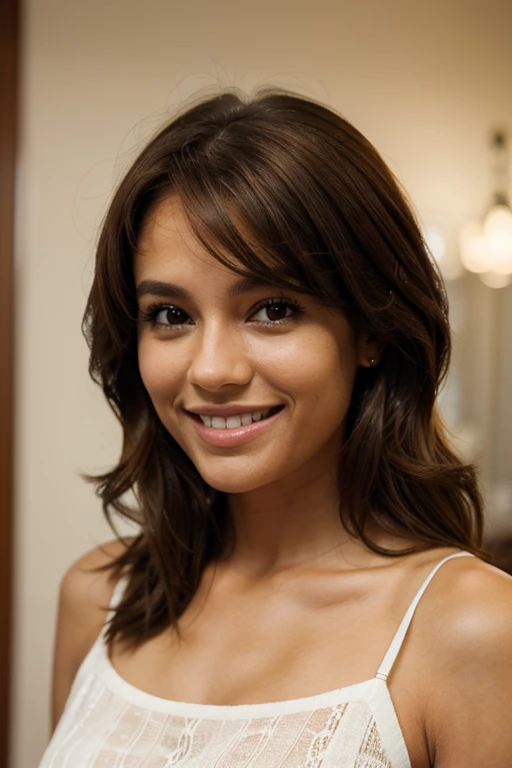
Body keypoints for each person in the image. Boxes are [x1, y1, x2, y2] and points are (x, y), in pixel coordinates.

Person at [39, 87, 512, 768]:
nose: (212, 370)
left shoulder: (472, 632)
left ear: (371, 329)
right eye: (170, 316)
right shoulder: (99, 598)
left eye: (272, 309)